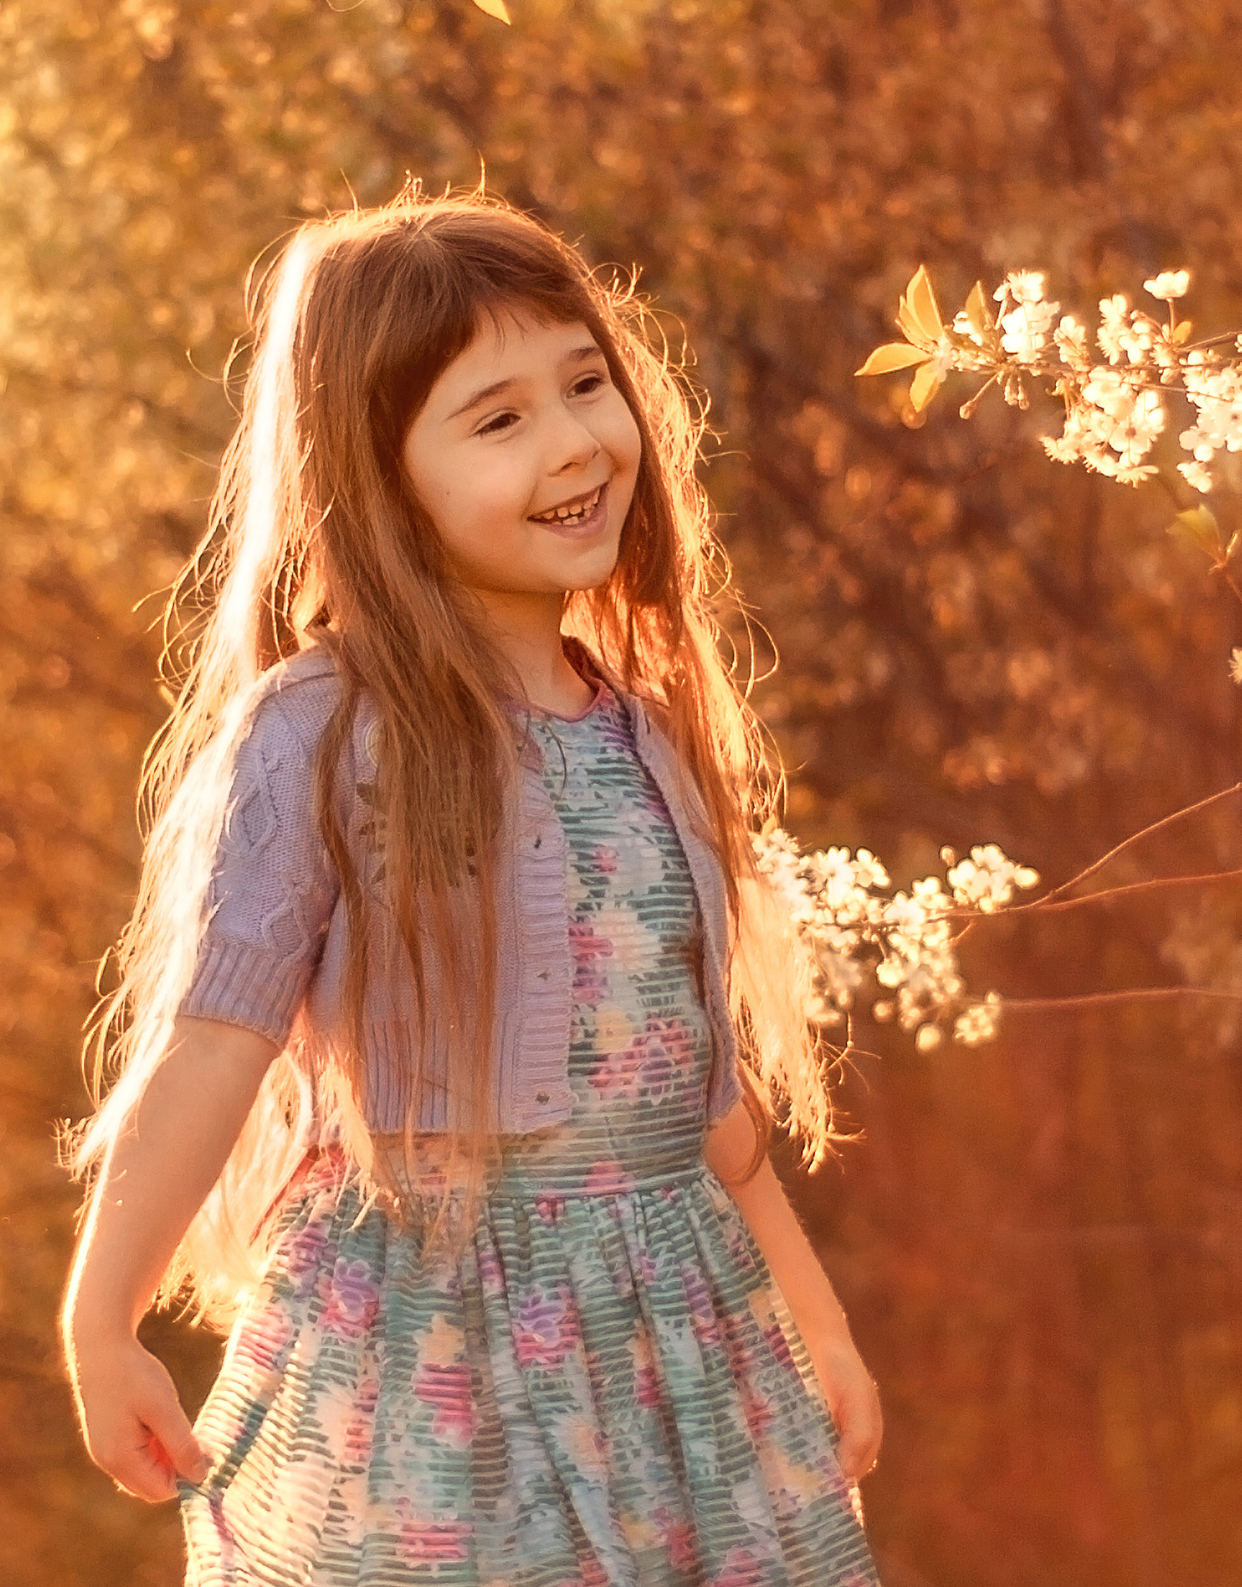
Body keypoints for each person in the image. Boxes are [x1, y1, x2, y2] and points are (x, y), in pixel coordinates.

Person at [59, 190, 884, 1587]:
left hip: (676, 1356)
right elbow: (213, 1038)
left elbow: (703, 1107)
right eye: (497, 418)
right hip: (430, 1362)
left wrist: (818, 1325)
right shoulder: (324, 734)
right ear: (378, 480)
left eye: (584, 384)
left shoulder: (649, 730)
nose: (573, 442)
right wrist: (104, 1314)